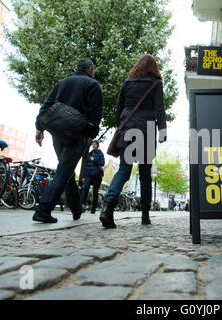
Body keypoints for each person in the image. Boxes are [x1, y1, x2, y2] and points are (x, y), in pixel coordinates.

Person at [100, 54, 167, 228]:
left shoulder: (127, 82)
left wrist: (120, 126)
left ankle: (108, 207)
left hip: (127, 129)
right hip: (146, 130)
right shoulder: (156, 84)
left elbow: (119, 108)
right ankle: (145, 215)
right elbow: (159, 108)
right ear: (154, 68)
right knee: (145, 173)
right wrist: (162, 131)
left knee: (123, 170)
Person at [33, 59, 102, 223]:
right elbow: (95, 114)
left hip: (57, 133)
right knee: (64, 170)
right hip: (78, 134)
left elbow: (46, 106)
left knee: (67, 170)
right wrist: (91, 134)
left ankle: (76, 208)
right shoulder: (93, 85)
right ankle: (43, 210)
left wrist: (39, 128)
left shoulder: (61, 83)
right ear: (90, 69)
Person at [81, 139, 105, 214]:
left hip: (97, 176)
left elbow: (102, 163)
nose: (93, 145)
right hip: (88, 175)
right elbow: (86, 166)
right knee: (85, 189)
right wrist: (83, 176)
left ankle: (93, 208)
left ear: (97, 145)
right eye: (92, 144)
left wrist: (94, 159)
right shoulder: (89, 154)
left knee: (95, 192)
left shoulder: (100, 153)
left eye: (95, 144)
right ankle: (82, 205)